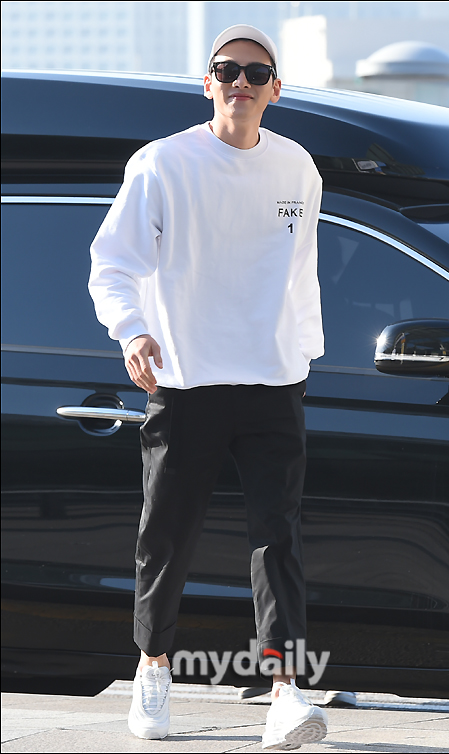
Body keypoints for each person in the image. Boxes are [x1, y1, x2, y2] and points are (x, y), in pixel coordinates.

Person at [88, 24, 327, 750]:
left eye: (255, 73)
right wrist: (133, 331)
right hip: (187, 378)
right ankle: (153, 667)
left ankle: (285, 690)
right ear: (207, 84)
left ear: (276, 89)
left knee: (278, 539)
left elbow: (301, 271)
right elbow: (112, 263)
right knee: (167, 535)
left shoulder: (297, 167)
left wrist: (304, 353)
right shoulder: (163, 164)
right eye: (227, 71)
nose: (240, 83)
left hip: (273, 380)